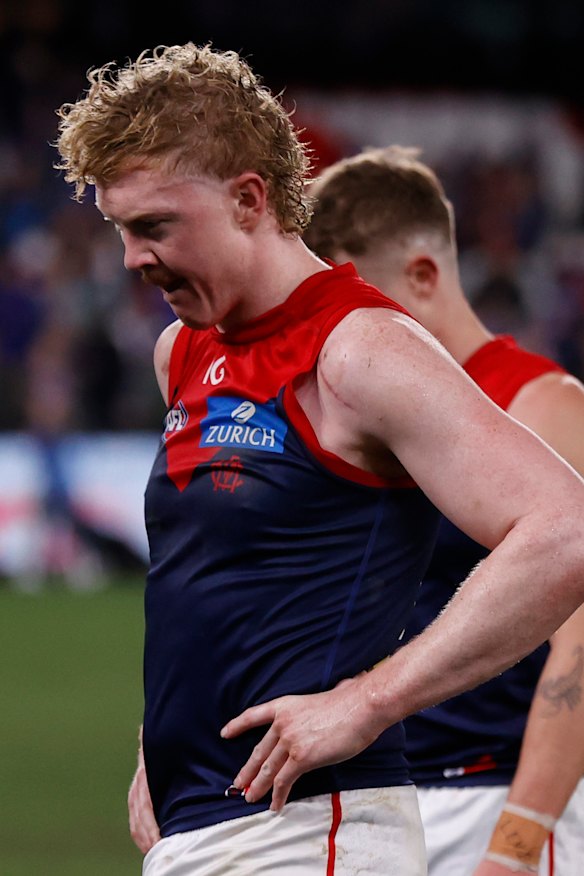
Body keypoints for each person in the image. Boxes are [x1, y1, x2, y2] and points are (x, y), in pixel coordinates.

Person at [54, 44, 584, 876]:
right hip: (206, 832)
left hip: (312, 833)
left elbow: (566, 530)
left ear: (249, 199)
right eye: (122, 231)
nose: (132, 259)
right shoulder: (183, 352)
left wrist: (371, 702)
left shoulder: (360, 348)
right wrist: (152, 745)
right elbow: (212, 583)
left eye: (155, 226)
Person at [303, 144, 584, 875]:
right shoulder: (350, 415)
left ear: (423, 275)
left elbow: (582, 648)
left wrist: (518, 846)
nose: (337, 326)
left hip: (493, 804)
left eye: (352, 297)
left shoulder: (544, 408)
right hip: (369, 804)